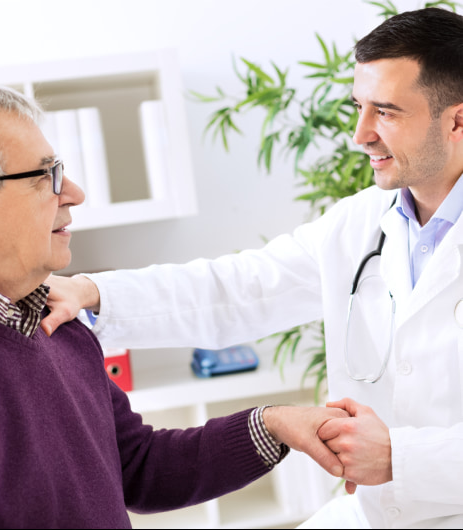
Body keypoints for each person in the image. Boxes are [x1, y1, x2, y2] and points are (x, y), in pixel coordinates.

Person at [41, 7, 463, 529]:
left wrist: (404, 458)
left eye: (386, 112)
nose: (360, 134)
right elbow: (237, 289)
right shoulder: (359, 224)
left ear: (457, 119)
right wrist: (91, 293)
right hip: (373, 514)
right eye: (359, 107)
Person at [0, 83, 354, 529]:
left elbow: (136, 465)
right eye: (45, 175)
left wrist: (274, 425)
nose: (74, 193)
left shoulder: (51, 321)